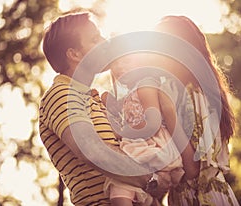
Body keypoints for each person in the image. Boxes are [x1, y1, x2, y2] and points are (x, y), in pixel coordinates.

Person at [102, 15, 240, 206]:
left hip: (202, 199)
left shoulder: (194, 94)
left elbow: (192, 170)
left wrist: (168, 112)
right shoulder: (174, 89)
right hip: (183, 198)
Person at [39, 12, 170, 206]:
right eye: (94, 39)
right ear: (74, 54)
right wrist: (149, 179)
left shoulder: (95, 99)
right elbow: (91, 150)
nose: (105, 42)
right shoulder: (61, 94)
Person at [101, 57, 185, 206]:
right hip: (143, 145)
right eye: (114, 62)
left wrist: (122, 132)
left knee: (120, 185)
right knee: (133, 194)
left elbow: (153, 123)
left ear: (140, 60)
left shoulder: (146, 86)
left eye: (125, 60)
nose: (118, 67)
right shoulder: (131, 91)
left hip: (153, 146)